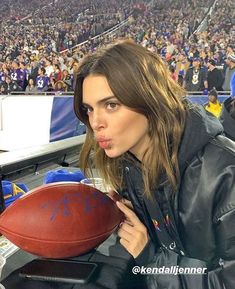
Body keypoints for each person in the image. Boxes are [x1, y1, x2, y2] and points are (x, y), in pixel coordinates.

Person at [74, 40, 235, 289]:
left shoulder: (225, 172)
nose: (95, 122)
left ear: (150, 99)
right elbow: (133, 252)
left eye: (111, 105)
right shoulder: (127, 165)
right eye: (89, 109)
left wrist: (153, 259)